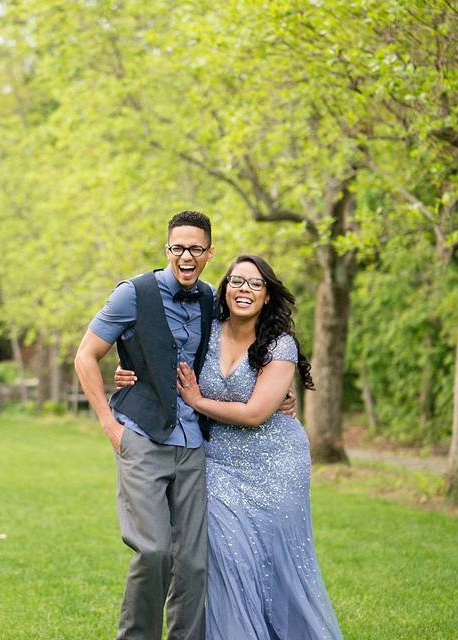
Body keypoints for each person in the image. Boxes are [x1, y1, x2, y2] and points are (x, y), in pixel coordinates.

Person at [74, 212, 294, 640]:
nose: (186, 256)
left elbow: (244, 345)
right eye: (178, 248)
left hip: (195, 444)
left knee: (193, 563)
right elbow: (86, 355)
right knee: (153, 552)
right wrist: (108, 423)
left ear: (210, 253)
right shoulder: (132, 294)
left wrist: (277, 386)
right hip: (141, 436)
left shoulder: (214, 298)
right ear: (167, 250)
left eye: (196, 248)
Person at [116, 255, 342, 640]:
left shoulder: (279, 343)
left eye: (256, 285)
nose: (245, 290)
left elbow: (255, 413)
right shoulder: (208, 328)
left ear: (268, 296)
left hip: (276, 463)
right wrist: (128, 375)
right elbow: (162, 357)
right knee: (227, 558)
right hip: (219, 461)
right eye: (237, 281)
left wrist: (199, 401)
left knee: (276, 566)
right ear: (225, 288)